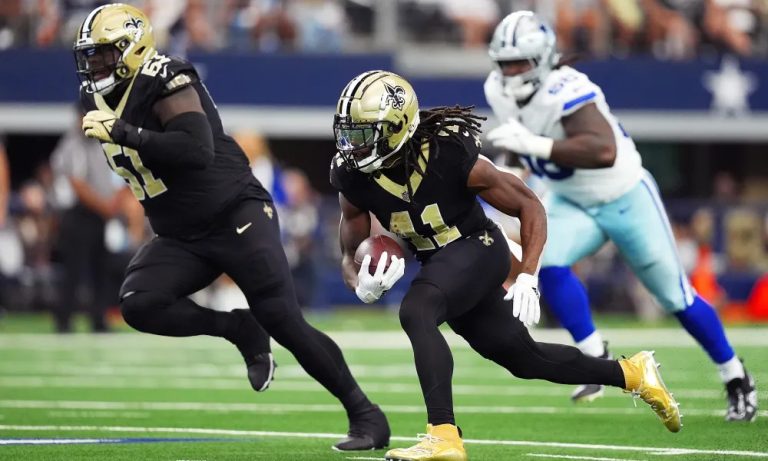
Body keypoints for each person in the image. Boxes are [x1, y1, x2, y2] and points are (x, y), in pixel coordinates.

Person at [73, 3, 388, 450]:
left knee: (284, 319)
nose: (94, 65)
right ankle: (238, 329)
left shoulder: (167, 78)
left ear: (131, 49)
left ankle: (366, 416)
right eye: (89, 56)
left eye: (103, 54)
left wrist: (125, 132)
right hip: (182, 234)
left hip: (234, 213)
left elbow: (195, 149)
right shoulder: (95, 95)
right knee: (139, 303)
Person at [331, 69, 681, 461]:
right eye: (348, 133)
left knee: (417, 310)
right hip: (442, 264)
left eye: (362, 135)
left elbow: (529, 205)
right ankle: (633, 373)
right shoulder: (352, 175)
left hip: (478, 247)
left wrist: (528, 273)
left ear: (396, 129)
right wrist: (360, 284)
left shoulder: (447, 154)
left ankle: (443, 436)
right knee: (525, 358)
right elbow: (350, 253)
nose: (351, 146)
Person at [484, 11, 757, 421]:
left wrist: (534, 145)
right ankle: (594, 357)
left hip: (624, 196)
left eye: (519, 62)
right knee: (543, 261)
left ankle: (735, 376)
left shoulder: (568, 87)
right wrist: (512, 164)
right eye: (504, 63)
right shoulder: (498, 89)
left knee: (675, 297)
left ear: (541, 58)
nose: (510, 71)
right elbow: (519, 142)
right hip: (569, 197)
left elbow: (602, 149)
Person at [49, 113, 130, 333]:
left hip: (99, 216)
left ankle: (98, 320)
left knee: (99, 269)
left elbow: (117, 176)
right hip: (78, 215)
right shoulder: (73, 144)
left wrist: (114, 202)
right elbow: (77, 183)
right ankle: (64, 320)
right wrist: (105, 206)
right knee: (73, 270)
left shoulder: (101, 144)